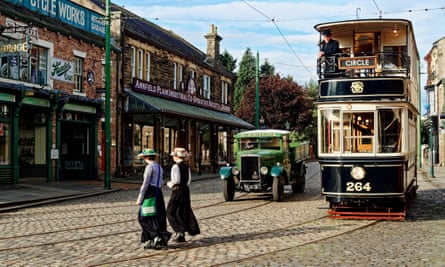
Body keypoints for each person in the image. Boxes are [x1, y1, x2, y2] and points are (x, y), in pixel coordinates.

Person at [136, 149, 171, 250]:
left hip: (150, 193)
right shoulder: (159, 167)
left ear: (145, 158)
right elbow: (161, 181)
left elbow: (145, 183)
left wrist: (140, 198)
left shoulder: (149, 167)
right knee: (157, 216)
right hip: (158, 193)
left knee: (143, 217)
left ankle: (155, 236)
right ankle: (152, 239)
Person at [166, 147, 200, 243]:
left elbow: (176, 180)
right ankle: (181, 235)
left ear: (176, 157)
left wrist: (169, 184)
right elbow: (188, 180)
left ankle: (179, 230)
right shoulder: (186, 167)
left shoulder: (175, 167)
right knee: (182, 211)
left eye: (173, 156)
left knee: (170, 211)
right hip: (186, 190)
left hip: (178, 190)